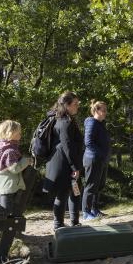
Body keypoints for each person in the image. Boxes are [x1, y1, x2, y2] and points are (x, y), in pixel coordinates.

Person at [0, 120, 37, 263]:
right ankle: (1, 256)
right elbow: (14, 168)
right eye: (19, 132)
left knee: (8, 220)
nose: (21, 135)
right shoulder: (10, 150)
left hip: (4, 187)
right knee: (10, 222)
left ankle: (2, 253)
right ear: (10, 134)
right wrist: (27, 161)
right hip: (9, 188)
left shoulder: (1, 147)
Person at [43, 91, 84, 229]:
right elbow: (68, 147)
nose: (77, 106)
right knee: (63, 194)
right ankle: (58, 225)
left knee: (75, 191)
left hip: (67, 163)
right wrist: (75, 167)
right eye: (75, 104)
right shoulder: (64, 122)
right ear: (66, 105)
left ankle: (75, 222)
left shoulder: (64, 119)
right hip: (64, 164)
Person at [82, 100, 111, 220]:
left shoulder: (100, 124)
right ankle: (86, 212)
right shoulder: (92, 123)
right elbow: (88, 142)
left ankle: (94, 209)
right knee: (91, 186)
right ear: (96, 111)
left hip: (101, 160)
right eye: (103, 110)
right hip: (93, 159)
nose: (105, 113)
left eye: (106, 110)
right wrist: (101, 154)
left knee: (99, 186)